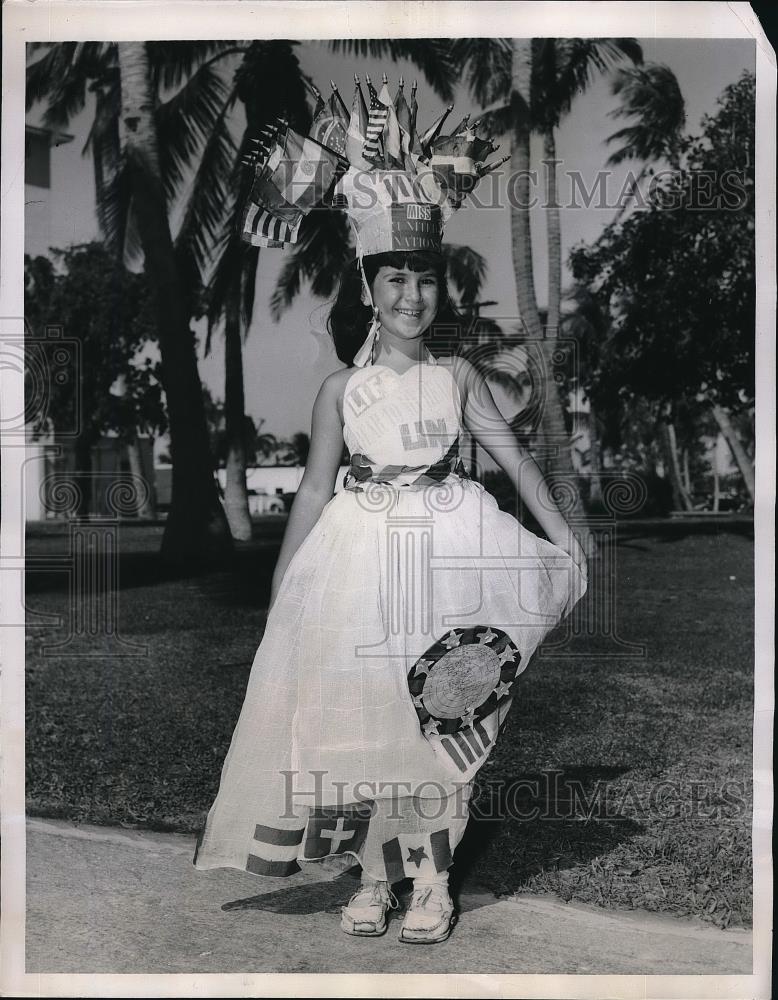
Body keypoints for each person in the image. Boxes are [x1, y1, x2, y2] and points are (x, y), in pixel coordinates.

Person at [194, 81, 587, 946]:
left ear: (441, 286)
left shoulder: (458, 378)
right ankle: (375, 875)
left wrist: (566, 539)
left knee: (441, 709)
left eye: (425, 278)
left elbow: (516, 458)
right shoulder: (342, 388)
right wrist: (286, 579)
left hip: (446, 550)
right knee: (365, 714)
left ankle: (436, 884)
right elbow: (310, 488)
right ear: (370, 290)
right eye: (395, 279)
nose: (412, 294)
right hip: (356, 556)